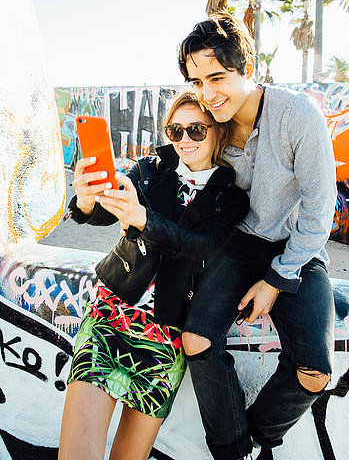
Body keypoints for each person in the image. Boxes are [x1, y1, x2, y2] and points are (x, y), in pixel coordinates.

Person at [178, 13, 337, 460]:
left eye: (218, 77)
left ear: (247, 66)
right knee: (197, 341)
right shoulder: (211, 121)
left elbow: (319, 212)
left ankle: (255, 437)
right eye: (197, 81)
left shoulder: (298, 116)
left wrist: (276, 281)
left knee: (314, 372)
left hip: (297, 247)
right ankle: (233, 452)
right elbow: (176, 169)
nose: (208, 94)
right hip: (237, 244)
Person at [58, 91, 249, 460]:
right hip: (109, 317)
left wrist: (142, 218)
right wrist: (85, 200)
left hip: (167, 335)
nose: (186, 140)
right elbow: (108, 211)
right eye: (175, 131)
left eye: (196, 129)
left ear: (218, 132)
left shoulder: (231, 197)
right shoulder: (149, 169)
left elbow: (199, 245)